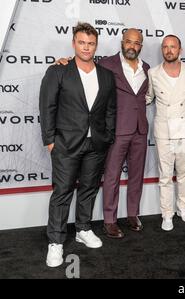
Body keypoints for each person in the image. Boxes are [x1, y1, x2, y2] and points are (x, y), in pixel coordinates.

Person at [56, 29, 151, 239]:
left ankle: (133, 214)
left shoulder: (146, 67)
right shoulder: (107, 64)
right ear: (122, 42)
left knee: (136, 175)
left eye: (136, 43)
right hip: (116, 129)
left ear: (140, 46)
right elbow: (84, 69)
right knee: (111, 175)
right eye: (128, 41)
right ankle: (110, 219)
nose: (132, 46)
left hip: (140, 129)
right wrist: (65, 62)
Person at [39, 23, 116, 267]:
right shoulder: (58, 71)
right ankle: (56, 242)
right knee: (62, 193)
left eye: (90, 43)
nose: (86, 47)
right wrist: (50, 141)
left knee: (89, 188)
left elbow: (111, 109)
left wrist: (108, 135)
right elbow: (47, 107)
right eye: (81, 42)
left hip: (96, 144)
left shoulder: (105, 75)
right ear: (74, 43)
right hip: (66, 144)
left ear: (96, 45)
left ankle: (83, 229)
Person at [145, 35, 185, 231]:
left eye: (173, 47)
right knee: (165, 176)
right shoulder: (153, 73)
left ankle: (183, 209)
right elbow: (148, 98)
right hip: (163, 131)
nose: (169, 50)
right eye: (166, 47)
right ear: (162, 50)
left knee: (184, 173)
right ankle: (167, 214)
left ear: (180, 49)